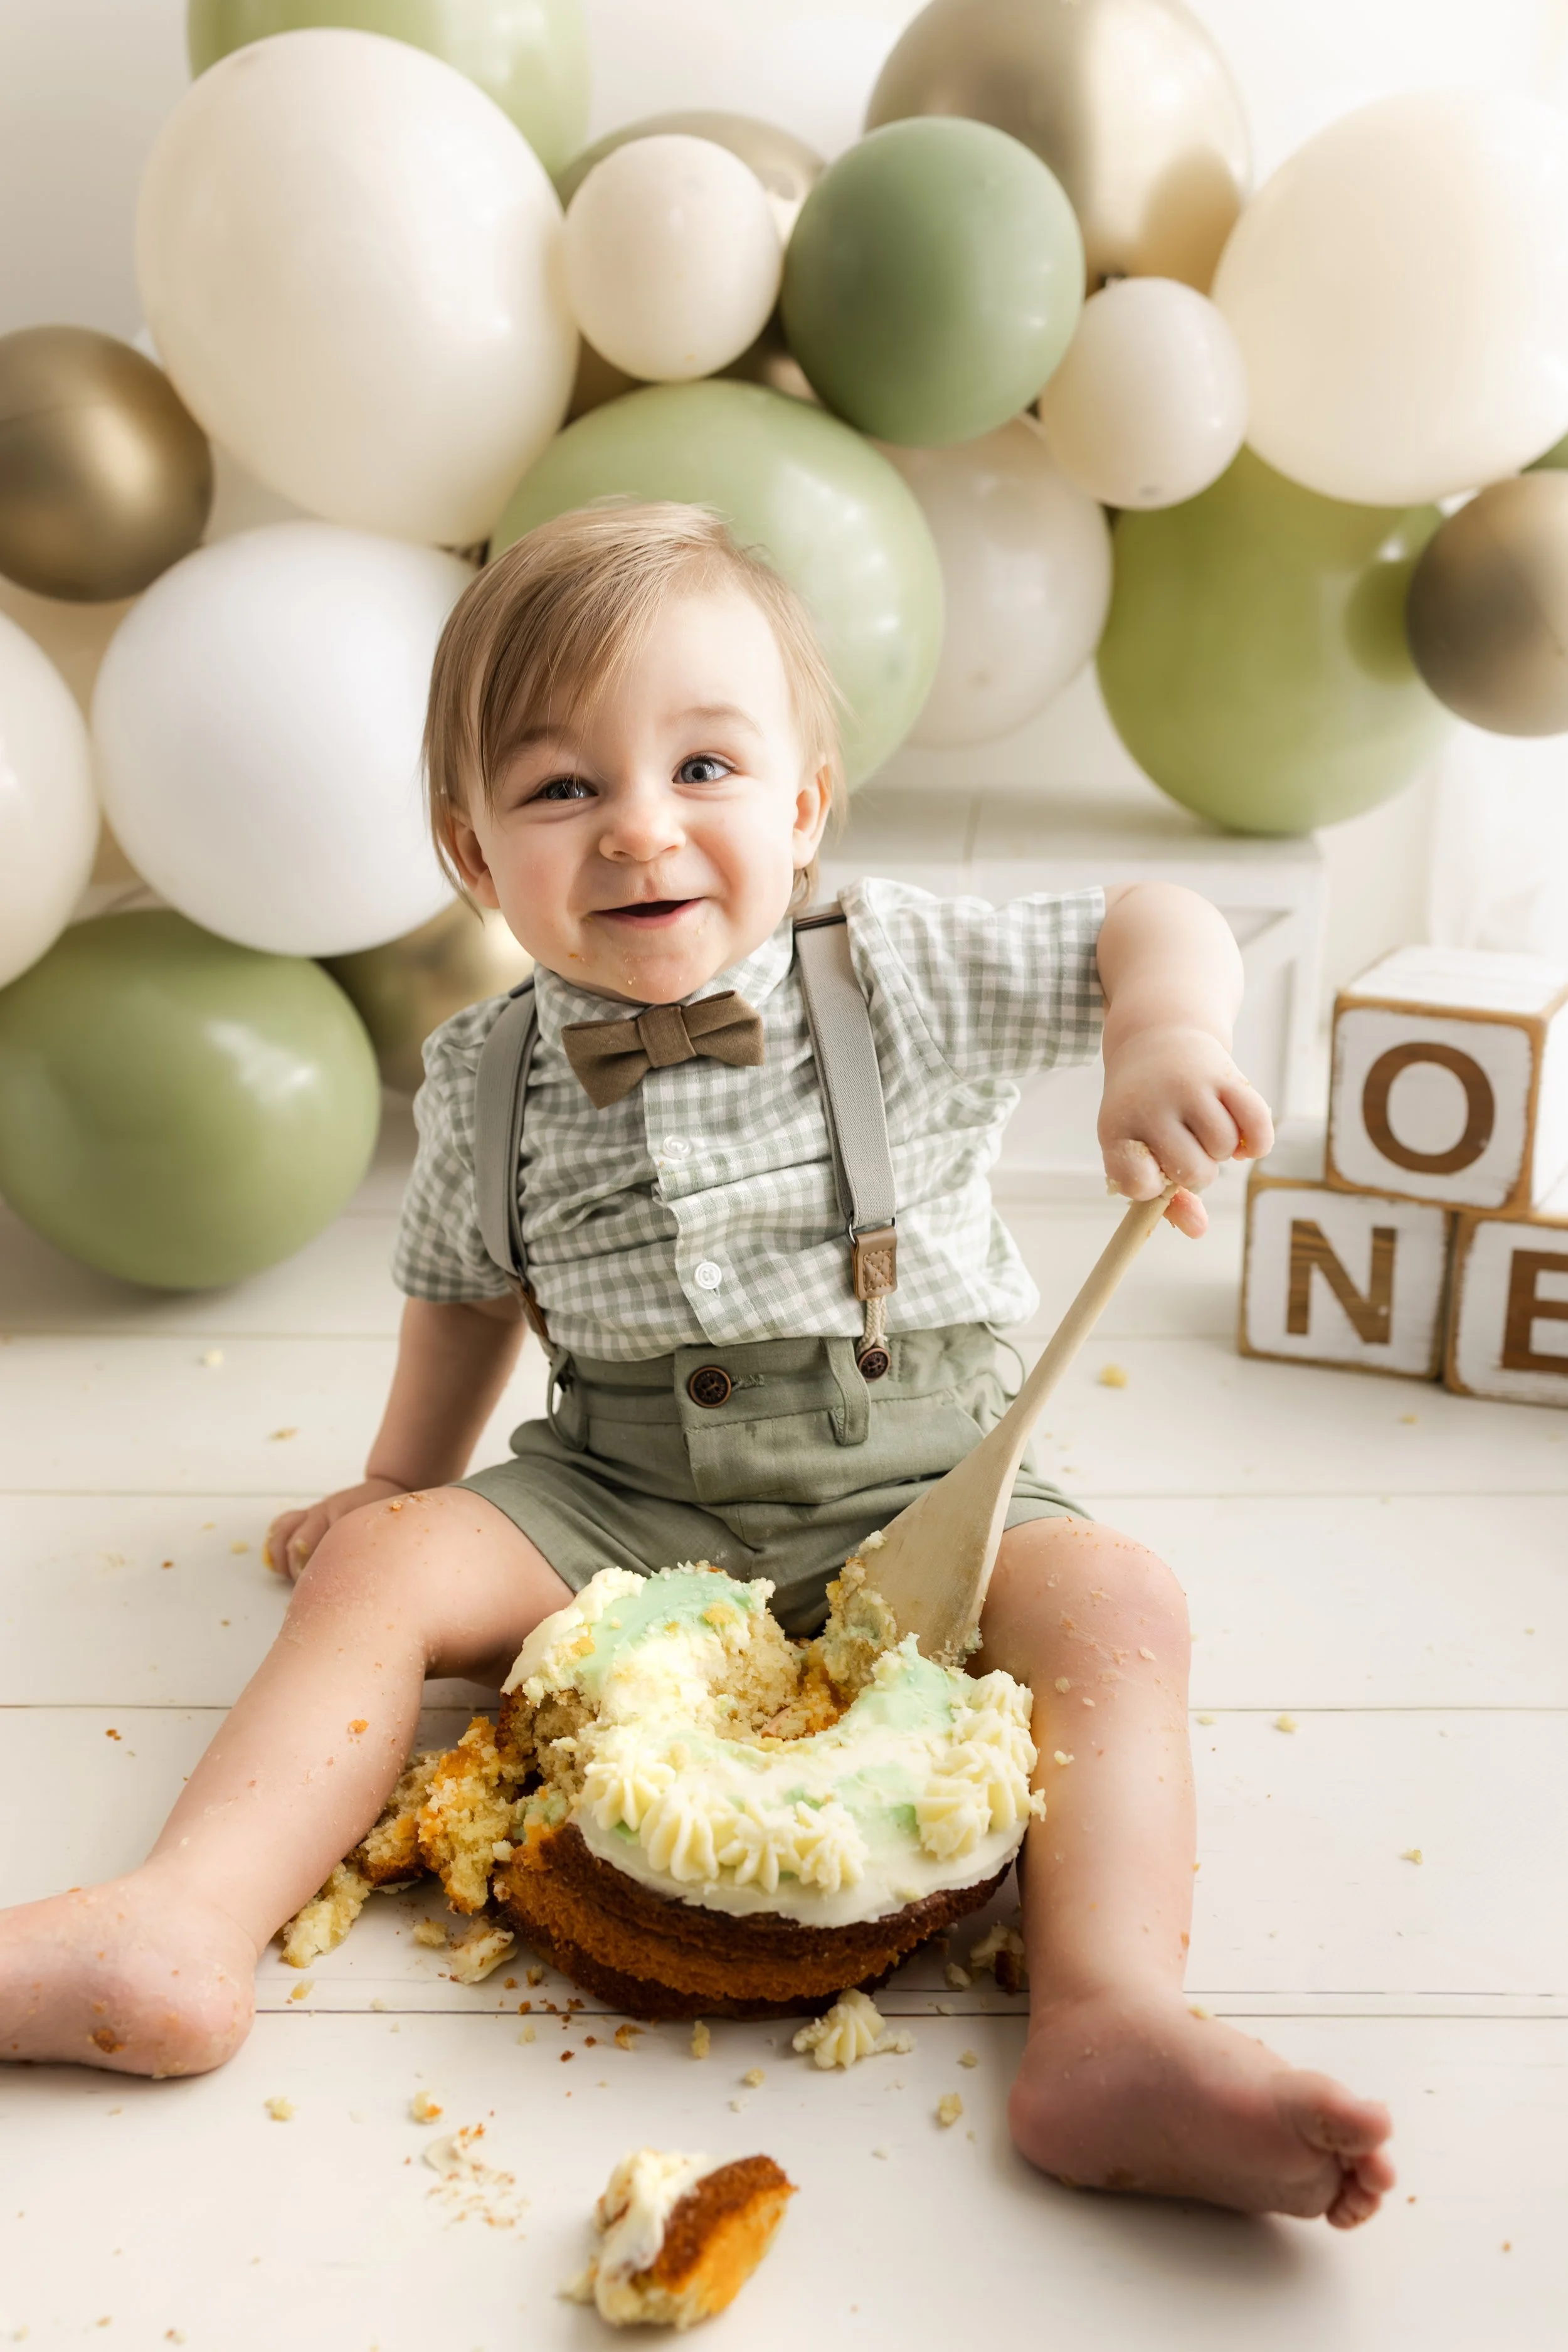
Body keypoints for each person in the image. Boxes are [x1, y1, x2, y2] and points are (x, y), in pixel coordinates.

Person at [0, 502, 1392, 2225]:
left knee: (1116, 1601)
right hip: (619, 1482)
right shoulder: (486, 1069)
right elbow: (462, 1290)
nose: (638, 828)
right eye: (559, 787)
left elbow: (1153, 912)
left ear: (803, 802)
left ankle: (1107, 2023)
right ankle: (182, 1922)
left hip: (926, 1458)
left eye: (705, 766)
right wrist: (406, 1479)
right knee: (380, 1565)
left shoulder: (897, 970)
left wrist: (1160, 1037)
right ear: (469, 851)